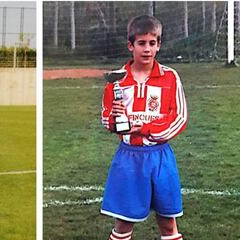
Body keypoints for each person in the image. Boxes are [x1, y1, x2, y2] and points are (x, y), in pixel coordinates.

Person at [100, 15, 188, 240]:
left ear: (158, 45)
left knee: (168, 224)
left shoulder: (170, 77)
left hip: (160, 157)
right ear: (131, 45)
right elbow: (106, 118)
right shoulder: (118, 81)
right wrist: (115, 120)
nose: (147, 49)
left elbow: (179, 118)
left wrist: (146, 129)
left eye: (152, 43)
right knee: (123, 226)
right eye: (141, 43)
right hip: (129, 158)